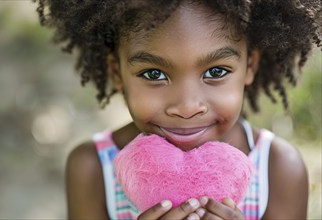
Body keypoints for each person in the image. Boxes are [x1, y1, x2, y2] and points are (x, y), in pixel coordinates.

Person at [35, 0, 321, 219]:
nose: (187, 107)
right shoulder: (92, 168)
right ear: (117, 73)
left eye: (217, 70)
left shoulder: (279, 169)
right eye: (154, 74)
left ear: (250, 66)